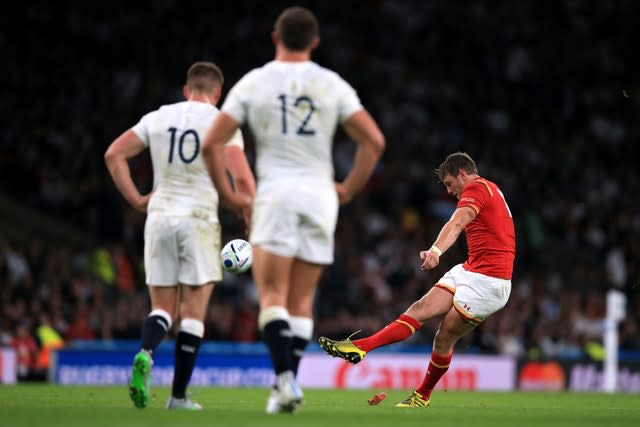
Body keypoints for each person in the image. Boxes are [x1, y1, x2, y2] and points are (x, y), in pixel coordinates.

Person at [201, 6, 385, 414]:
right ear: (315, 43)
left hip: (277, 193)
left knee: (272, 296)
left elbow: (212, 143)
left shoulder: (255, 83)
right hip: (320, 196)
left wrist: (230, 197)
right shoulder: (332, 84)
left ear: (275, 37)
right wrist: (348, 189)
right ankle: (286, 387)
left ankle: (284, 381)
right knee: (303, 302)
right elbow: (374, 141)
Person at [104, 61, 254, 410]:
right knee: (193, 313)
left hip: (159, 216)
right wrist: (249, 213)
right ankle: (178, 397)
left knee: (162, 309)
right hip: (198, 218)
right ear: (217, 94)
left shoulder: (158, 117)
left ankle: (146, 352)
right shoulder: (223, 123)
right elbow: (243, 180)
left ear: (187, 90)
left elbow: (114, 154)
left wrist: (138, 199)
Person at [319, 152, 515, 407]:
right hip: (470, 270)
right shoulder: (490, 189)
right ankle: (360, 347)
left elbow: (456, 223)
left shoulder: (476, 188)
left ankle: (422, 395)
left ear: (462, 174)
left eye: (449, 184)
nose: (449, 191)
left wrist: (435, 251)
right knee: (419, 309)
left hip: (491, 281)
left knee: (444, 336)